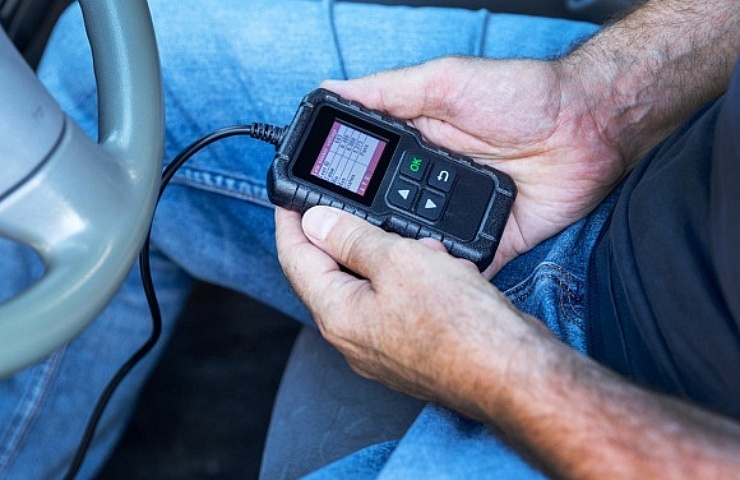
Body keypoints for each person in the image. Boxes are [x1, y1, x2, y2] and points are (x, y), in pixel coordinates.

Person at [0, 0, 737, 478]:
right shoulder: (603, 122)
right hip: (644, 177)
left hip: (638, 427)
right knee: (101, 82)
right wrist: (606, 103)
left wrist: (496, 366)